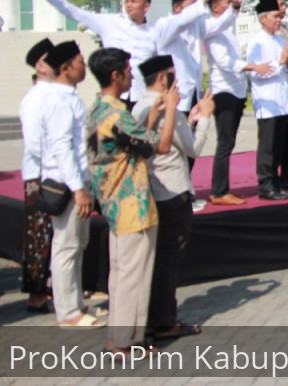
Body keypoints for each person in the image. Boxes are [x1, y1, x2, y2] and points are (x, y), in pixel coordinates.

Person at [86, 47, 176, 355]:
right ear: (115, 75)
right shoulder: (117, 115)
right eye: (126, 70)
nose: (130, 75)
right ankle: (124, 342)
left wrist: (150, 119)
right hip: (131, 203)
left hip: (114, 202)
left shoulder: (97, 108)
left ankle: (125, 338)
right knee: (133, 277)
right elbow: (160, 147)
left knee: (122, 274)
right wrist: (173, 109)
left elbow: (133, 146)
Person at [132, 55, 210, 339]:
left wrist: (187, 120)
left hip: (153, 190)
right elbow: (193, 149)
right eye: (173, 75)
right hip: (173, 191)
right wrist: (206, 119)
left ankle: (153, 316)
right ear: (163, 79)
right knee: (169, 258)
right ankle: (164, 321)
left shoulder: (139, 107)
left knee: (157, 258)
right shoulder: (167, 110)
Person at [42, 0, 213, 107]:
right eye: (127, 1)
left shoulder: (155, 30)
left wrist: (204, 0)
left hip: (141, 97)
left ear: (146, 7)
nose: (128, 5)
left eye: (133, 2)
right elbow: (77, 13)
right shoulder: (110, 23)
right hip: (113, 96)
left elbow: (180, 20)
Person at [40, 41, 101, 328]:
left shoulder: (69, 96)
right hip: (66, 184)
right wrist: (78, 189)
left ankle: (75, 303)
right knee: (66, 247)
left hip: (78, 180)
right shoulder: (58, 100)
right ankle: (66, 312)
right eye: (80, 62)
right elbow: (63, 149)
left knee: (77, 244)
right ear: (65, 68)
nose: (84, 67)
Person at [204, 0, 266, 206]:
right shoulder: (211, 28)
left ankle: (223, 188)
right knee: (225, 143)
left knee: (228, 142)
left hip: (235, 91)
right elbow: (225, 62)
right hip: (224, 92)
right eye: (227, 3)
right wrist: (253, 67)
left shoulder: (225, 30)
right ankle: (218, 191)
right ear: (215, 7)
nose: (231, 8)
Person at [247, 0, 288, 200]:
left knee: (280, 145)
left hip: (282, 99)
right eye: (275, 16)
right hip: (266, 102)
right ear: (262, 18)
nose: (279, 20)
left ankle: (276, 182)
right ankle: (266, 184)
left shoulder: (279, 38)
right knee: (267, 146)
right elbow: (256, 72)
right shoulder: (256, 42)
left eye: (279, 16)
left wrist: (286, 60)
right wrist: (281, 61)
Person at [19, 38, 55, 314]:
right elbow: (35, 144)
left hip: (52, 172)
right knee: (38, 235)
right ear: (41, 65)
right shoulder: (35, 98)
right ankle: (35, 293)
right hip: (40, 175)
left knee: (50, 235)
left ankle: (48, 287)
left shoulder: (54, 93)